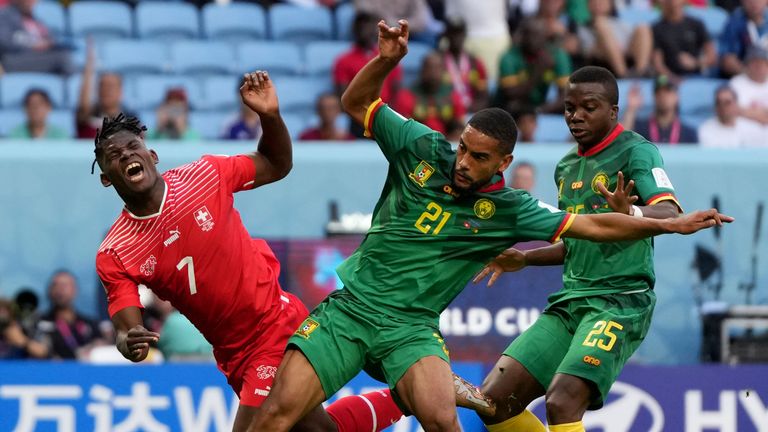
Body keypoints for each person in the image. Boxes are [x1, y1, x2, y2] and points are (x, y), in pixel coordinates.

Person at [247, 20, 731, 432]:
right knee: (279, 418)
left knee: (460, 419)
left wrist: (665, 223)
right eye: (462, 147)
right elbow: (356, 103)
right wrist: (386, 60)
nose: (462, 162)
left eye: (477, 158)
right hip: (352, 309)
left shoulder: (517, 206)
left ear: (504, 162)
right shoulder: (424, 147)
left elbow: (599, 227)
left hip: (425, 327)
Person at [94, 71, 405, 432]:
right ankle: (408, 396)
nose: (126, 155)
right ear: (106, 177)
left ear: (152, 154)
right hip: (232, 353)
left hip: (273, 324)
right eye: (114, 155)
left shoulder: (205, 175)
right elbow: (125, 325)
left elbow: (276, 164)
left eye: (133, 147)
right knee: (321, 430)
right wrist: (128, 341)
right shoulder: (116, 250)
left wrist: (270, 116)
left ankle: (413, 394)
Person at [472, 65, 705, 432]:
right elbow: (578, 240)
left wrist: (629, 210)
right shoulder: (566, 167)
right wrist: (525, 258)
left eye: (589, 107)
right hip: (571, 302)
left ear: (613, 111)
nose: (576, 116)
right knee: (493, 401)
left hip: (619, 300)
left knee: (562, 401)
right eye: (569, 108)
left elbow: (669, 211)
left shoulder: (636, 152)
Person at [334, 12, 403, 138]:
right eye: (361, 28)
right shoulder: (343, 60)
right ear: (355, 30)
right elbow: (342, 95)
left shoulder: (388, 57)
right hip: (358, 117)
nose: (365, 31)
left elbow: (396, 89)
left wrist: (388, 115)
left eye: (369, 27)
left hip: (385, 115)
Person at [496, 19, 572, 115]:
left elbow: (566, 95)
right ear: (523, 37)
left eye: (539, 35)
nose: (534, 40)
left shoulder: (557, 55)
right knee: (513, 105)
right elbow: (510, 94)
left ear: (545, 36)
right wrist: (539, 71)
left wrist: (540, 110)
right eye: (531, 35)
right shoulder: (509, 57)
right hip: (514, 108)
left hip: (542, 107)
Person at [38, 270, 109, 359]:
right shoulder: (39, 323)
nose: (60, 290)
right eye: (55, 285)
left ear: (75, 289)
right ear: (49, 290)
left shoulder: (90, 324)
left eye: (64, 285)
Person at [573, 0, 653, 78]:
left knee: (643, 28)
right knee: (601, 23)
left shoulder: (619, 22)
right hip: (601, 63)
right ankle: (623, 74)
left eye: (602, 1)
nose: (598, 4)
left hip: (626, 56)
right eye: (594, 1)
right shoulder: (583, 27)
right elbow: (588, 51)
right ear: (588, 5)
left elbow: (632, 43)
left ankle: (641, 72)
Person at [393, 51, 466, 134]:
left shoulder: (452, 96)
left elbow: (460, 128)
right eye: (429, 68)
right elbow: (402, 129)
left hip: (446, 142)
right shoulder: (407, 95)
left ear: (443, 71)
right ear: (422, 70)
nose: (433, 72)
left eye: (437, 68)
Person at [76, 41, 136, 139]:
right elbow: (83, 105)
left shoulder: (130, 120)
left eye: (111, 86)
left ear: (121, 91)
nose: (106, 90)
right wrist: (89, 66)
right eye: (102, 86)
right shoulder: (88, 116)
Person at [621, 76, 698, 144]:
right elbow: (622, 142)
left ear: (677, 97)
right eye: (658, 93)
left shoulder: (689, 133)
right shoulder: (640, 127)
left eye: (668, 91)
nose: (663, 96)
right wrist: (631, 109)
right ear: (654, 97)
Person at [0, 0, 71, 74]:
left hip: (40, 55)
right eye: (28, 1)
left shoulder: (35, 17)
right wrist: (33, 45)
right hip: (15, 59)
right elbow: (5, 41)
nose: (32, 3)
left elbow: (48, 37)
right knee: (62, 59)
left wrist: (49, 42)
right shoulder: (5, 14)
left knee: (65, 53)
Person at [652, 0, 716, 78]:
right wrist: (672, 78)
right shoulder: (657, 28)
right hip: (669, 78)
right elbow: (657, 63)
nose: (674, 3)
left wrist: (695, 63)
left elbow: (712, 57)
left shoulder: (696, 24)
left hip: (695, 76)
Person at [440, 17, 489, 113]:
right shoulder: (438, 62)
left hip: (473, 112)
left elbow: (483, 95)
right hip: (450, 114)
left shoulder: (475, 62)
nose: (456, 38)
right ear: (447, 35)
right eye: (453, 33)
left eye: (460, 33)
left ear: (465, 35)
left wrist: (474, 111)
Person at [699, 85, 765, 147]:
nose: (722, 107)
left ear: (736, 104)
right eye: (718, 103)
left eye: (727, 103)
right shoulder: (706, 129)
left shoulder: (751, 128)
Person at [719, 0, 768, 78]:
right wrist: (752, 74)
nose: (754, 2)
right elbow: (727, 60)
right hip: (743, 77)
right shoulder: (734, 22)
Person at [729, 45, 768, 126]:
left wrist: (748, 112)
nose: (759, 66)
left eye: (762, 62)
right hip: (744, 129)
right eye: (754, 62)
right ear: (747, 65)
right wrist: (763, 115)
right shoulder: (736, 83)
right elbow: (733, 109)